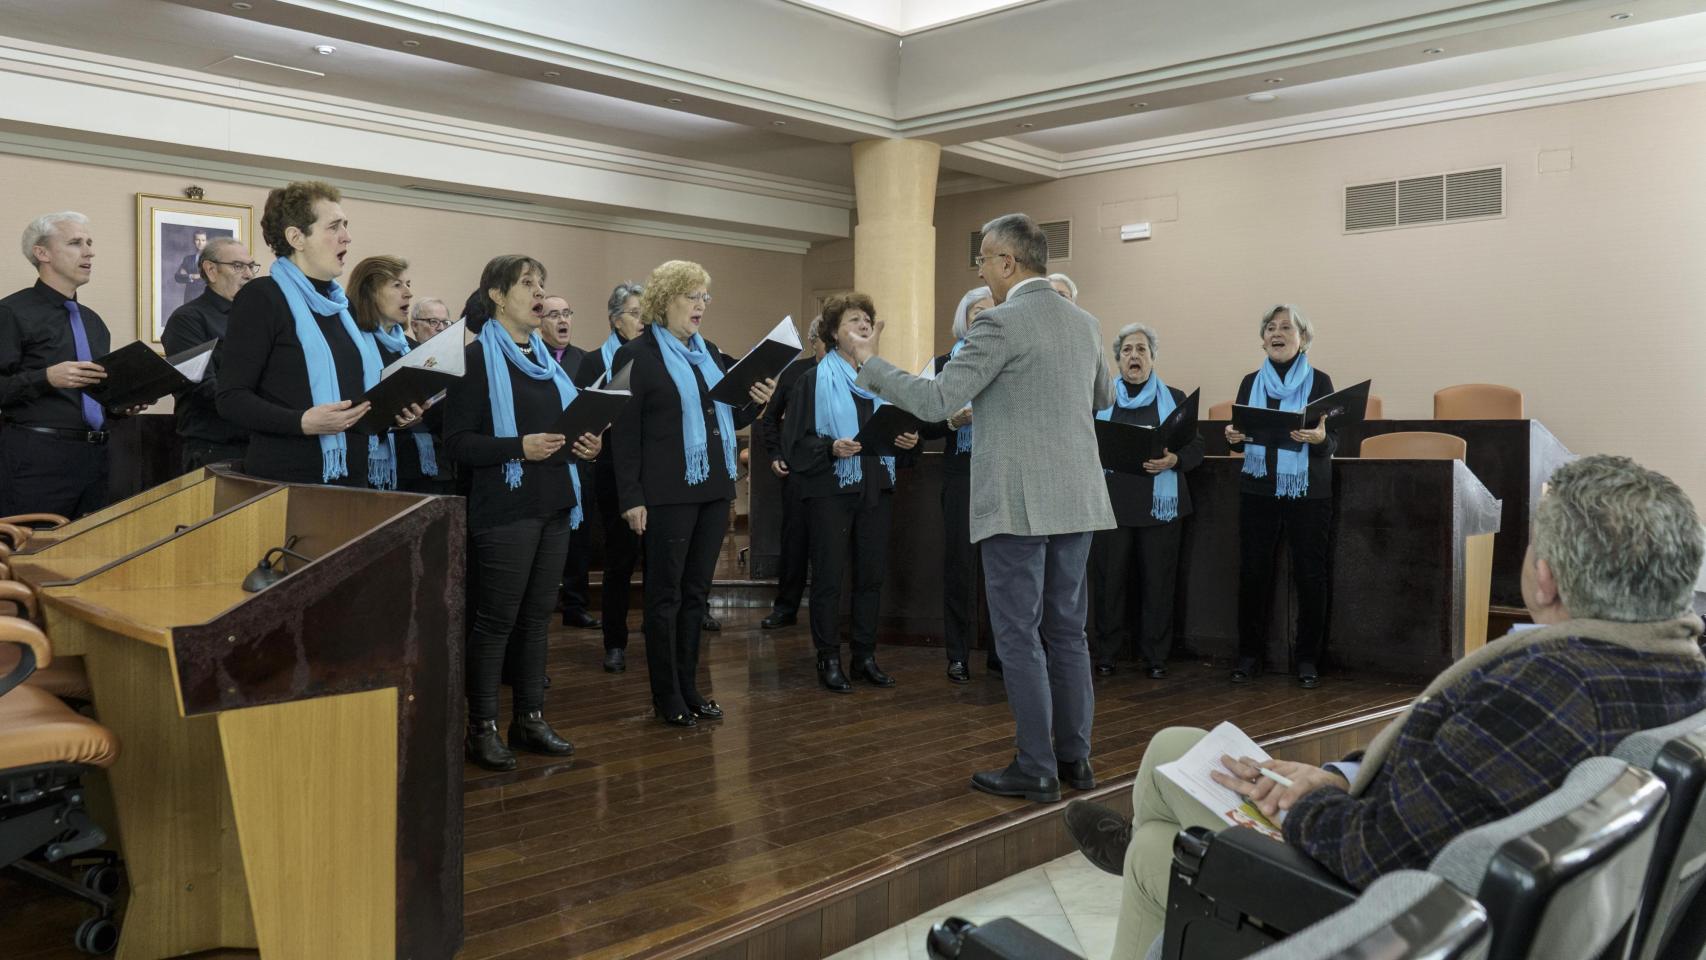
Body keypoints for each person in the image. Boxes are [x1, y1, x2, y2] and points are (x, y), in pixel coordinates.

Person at [1064, 454, 1706, 958]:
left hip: (1383, 915)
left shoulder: (1542, 691)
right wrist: (1339, 777)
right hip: (1444, 870)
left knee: (1159, 836)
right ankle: (1141, 853)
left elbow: (1380, 854)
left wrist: (1302, 804)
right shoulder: (1677, 669)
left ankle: (1140, 858)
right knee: (1173, 760)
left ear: (1546, 578)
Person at [843, 213, 1115, 804]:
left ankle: (1035, 765)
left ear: (1008, 262)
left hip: (1018, 502)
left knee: (1017, 634)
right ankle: (1076, 758)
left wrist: (869, 362)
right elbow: (1103, 396)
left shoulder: (999, 322)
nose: (981, 271)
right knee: (1068, 633)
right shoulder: (1086, 322)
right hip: (1078, 498)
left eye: (984, 259)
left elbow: (937, 399)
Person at [444, 254, 601, 771]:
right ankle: (481, 727)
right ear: (496, 295)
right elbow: (458, 443)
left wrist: (587, 446)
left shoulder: (550, 365)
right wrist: (518, 447)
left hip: (554, 502)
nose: (539, 293)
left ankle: (530, 718)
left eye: (541, 283)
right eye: (527, 284)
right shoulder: (472, 361)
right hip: (505, 509)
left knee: (536, 621)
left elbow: (565, 432)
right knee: (495, 622)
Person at [609, 261, 774, 727]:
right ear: (665, 301)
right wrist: (631, 497)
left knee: (696, 596)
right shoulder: (635, 355)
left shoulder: (710, 353)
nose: (701, 305)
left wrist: (757, 400)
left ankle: (691, 687)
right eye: (692, 296)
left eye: (705, 297)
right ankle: (667, 695)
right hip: (665, 493)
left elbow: (728, 415)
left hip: (712, 488)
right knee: (665, 596)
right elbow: (624, 433)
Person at [218, 181, 422, 486]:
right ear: (296, 237)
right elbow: (231, 398)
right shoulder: (262, 297)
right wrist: (301, 421)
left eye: (346, 225)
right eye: (334, 226)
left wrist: (394, 415)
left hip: (354, 477)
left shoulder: (342, 307)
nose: (346, 236)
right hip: (289, 479)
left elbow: (355, 399)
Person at [784, 294, 917, 692]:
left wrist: (907, 441)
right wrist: (830, 448)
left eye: (867, 321)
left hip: (876, 484)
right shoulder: (812, 380)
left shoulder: (884, 379)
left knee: (871, 577)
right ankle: (828, 658)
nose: (862, 326)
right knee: (828, 578)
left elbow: (898, 428)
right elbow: (795, 443)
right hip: (830, 489)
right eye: (853, 321)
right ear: (833, 333)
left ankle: (864, 656)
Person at [0, 211, 149, 517]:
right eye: (75, 243)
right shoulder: (11, 312)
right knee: (32, 544)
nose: (89, 251)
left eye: (89, 243)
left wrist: (120, 406)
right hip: (35, 459)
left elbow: (91, 394)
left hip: (96, 457)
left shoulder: (94, 323)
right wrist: (46, 378)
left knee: (87, 546)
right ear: (42, 253)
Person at [1223, 304, 1337, 687]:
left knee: (1310, 574)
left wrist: (1320, 439)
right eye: (1270, 327)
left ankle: (1307, 659)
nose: (1277, 333)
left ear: (1302, 339)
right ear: (1263, 340)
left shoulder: (1320, 382)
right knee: (1253, 572)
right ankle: (1248, 655)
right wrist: (1233, 438)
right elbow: (1243, 438)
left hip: (1308, 491)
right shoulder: (1249, 383)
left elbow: (1334, 441)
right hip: (1258, 489)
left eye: (1286, 327)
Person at [1089, 323, 1203, 679]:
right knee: (1109, 584)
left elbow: (1196, 446)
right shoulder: (1101, 398)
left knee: (1158, 584)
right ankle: (1107, 653)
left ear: (1153, 357)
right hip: (1112, 506)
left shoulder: (1174, 397)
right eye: (1127, 350)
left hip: (1160, 508)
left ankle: (1156, 656)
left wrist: (1174, 460)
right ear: (1118, 359)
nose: (1134, 356)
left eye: (1141, 349)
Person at [927, 287, 996, 683]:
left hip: (1000, 471)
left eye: (990, 311)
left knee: (1001, 568)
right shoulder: (944, 365)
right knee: (959, 567)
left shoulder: (1008, 359)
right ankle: (957, 654)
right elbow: (923, 423)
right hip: (960, 473)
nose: (982, 318)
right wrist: (952, 421)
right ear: (963, 321)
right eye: (976, 313)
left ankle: (1000, 655)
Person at [345, 255, 452, 495]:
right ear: (370, 292)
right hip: (360, 463)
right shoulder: (348, 343)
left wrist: (417, 412)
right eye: (397, 285)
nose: (408, 293)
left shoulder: (411, 349)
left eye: (408, 284)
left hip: (409, 468)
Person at [581, 281, 645, 671]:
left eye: (646, 313)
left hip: (652, 470)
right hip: (612, 471)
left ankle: (659, 632)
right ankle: (615, 642)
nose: (643, 320)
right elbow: (582, 416)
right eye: (635, 313)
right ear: (615, 320)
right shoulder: (592, 362)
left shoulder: (655, 359)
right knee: (620, 561)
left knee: (658, 561)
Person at [162, 237, 259, 471]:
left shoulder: (258, 318)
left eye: (251, 266)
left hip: (260, 445)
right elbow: (200, 387)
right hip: (214, 450)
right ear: (211, 270)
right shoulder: (187, 319)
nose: (248, 274)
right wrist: (262, 409)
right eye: (238, 266)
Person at [754, 317, 825, 630]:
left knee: (829, 545)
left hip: (835, 470)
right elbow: (769, 419)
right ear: (813, 341)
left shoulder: (851, 372)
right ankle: (785, 608)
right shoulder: (795, 373)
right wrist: (775, 454)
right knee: (794, 541)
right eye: (824, 338)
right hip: (797, 470)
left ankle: (828, 613)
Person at [535, 294, 600, 629]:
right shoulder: (531, 357)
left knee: (580, 535)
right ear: (539, 321)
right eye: (553, 314)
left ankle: (575, 604)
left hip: (578, 460)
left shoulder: (585, 360)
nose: (562, 320)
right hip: (541, 459)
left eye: (566, 313)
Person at [174, 230, 209, 302]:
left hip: (206, 297)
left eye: (203, 240)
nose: (200, 243)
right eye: (197, 240)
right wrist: (191, 276)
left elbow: (214, 278)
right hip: (189, 297)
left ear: (206, 242)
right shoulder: (188, 259)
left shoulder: (212, 259)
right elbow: (177, 277)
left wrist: (188, 274)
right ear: (194, 241)